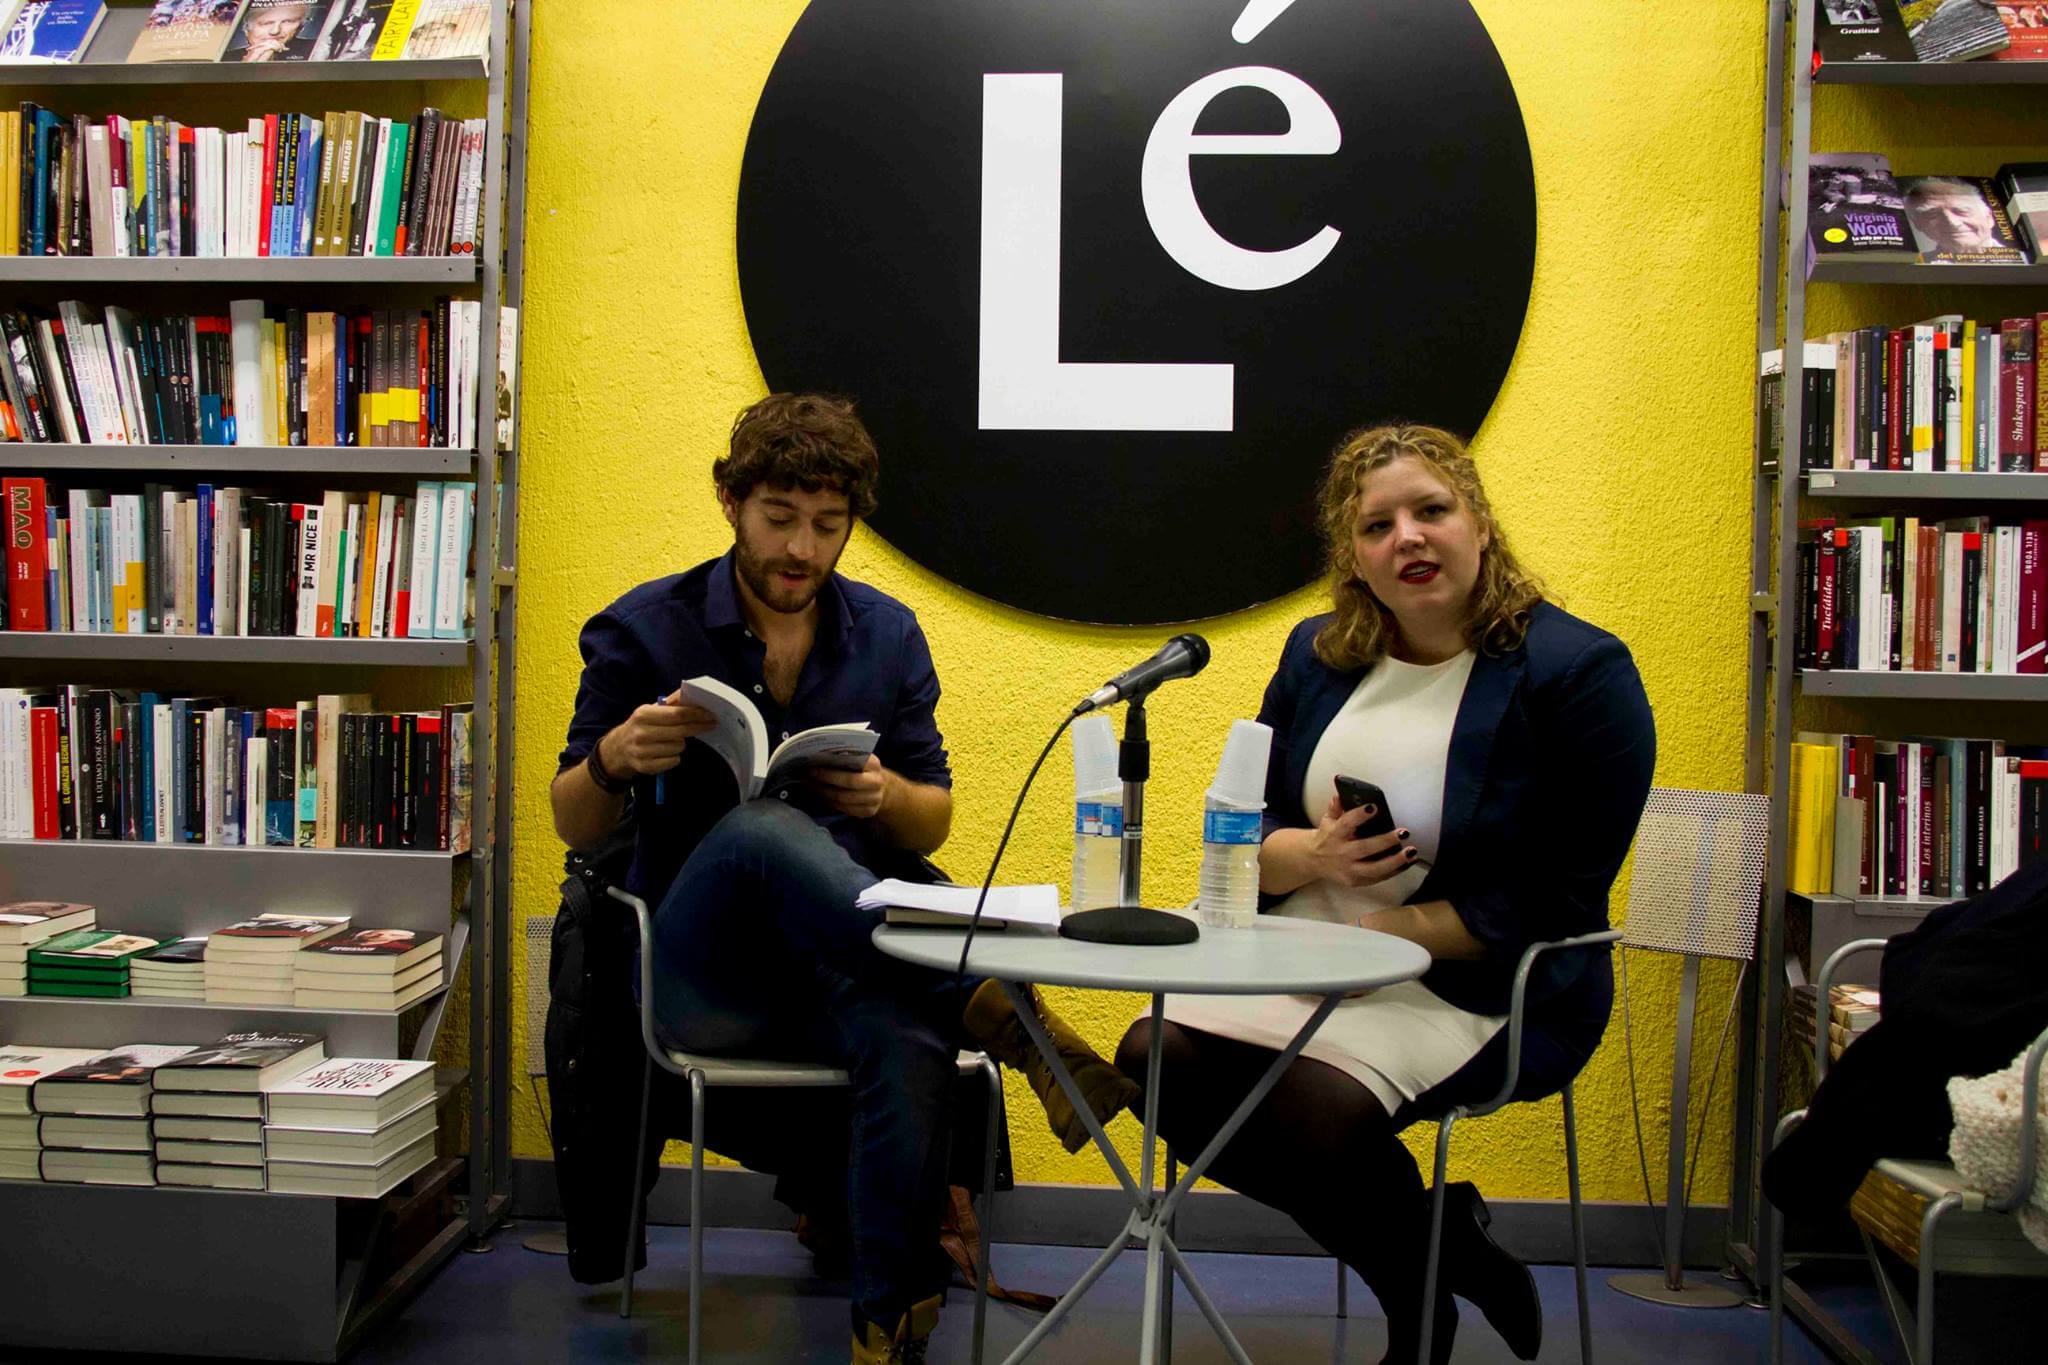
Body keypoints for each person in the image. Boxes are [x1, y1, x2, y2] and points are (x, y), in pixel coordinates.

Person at [551, 393, 1135, 1364]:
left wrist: (882, 795)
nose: (801, 549)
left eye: (827, 526)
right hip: (700, 975)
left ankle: (887, 1327)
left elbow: (933, 815)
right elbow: (572, 821)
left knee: (904, 1028)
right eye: (779, 518)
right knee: (759, 828)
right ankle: (1001, 1008)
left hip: (842, 963)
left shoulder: (886, 633)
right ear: (731, 501)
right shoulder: (643, 628)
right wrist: (613, 758)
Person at [1116, 423, 1655, 1365]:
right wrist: (1305, 854)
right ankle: (1441, 1254)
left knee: (1316, 1111)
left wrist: (1391, 934)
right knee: (1151, 1058)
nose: (1407, 536)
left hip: (1476, 982)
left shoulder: (1577, 672)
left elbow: (1560, 897)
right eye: (1377, 525)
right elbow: (1245, 823)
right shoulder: (1319, 654)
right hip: (1303, 959)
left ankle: (1416, 1315)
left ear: (1479, 523)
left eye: (1431, 510)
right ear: (1354, 555)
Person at [1903, 176, 2006, 258]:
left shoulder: (2014, 260)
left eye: (1962, 211)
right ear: (1918, 224)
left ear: (1989, 218)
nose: (1952, 222)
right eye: (1933, 214)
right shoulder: (1915, 264)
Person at [230, 1, 317, 62]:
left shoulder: (318, 48)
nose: (275, 31)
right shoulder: (228, 57)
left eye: (288, 21)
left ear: (301, 26)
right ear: (247, 28)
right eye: (265, 23)